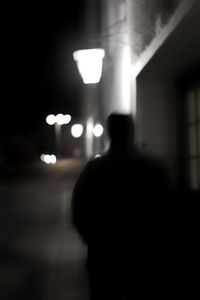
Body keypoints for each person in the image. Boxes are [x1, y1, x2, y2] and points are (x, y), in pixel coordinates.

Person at [71, 113, 170, 299]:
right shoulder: (153, 168)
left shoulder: (94, 169)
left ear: (109, 133)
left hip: (104, 256)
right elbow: (167, 210)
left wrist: (92, 238)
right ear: (132, 131)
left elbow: (78, 210)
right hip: (145, 255)